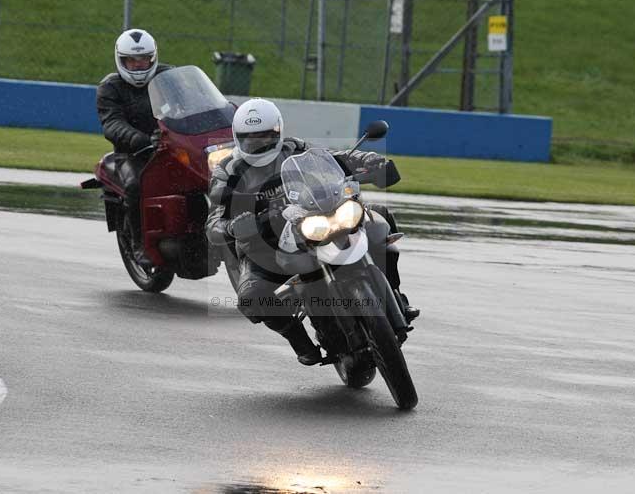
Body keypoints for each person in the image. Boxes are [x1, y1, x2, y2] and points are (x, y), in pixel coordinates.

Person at [205, 98, 419, 366]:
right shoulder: (227, 170)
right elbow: (213, 221)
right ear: (238, 138)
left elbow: (332, 158)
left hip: (314, 219)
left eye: (265, 137)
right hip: (265, 244)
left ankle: (397, 296)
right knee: (252, 297)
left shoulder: (295, 148)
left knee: (378, 218)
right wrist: (234, 226)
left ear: (278, 132)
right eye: (251, 139)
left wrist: (368, 160)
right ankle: (298, 339)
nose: (258, 143)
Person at [96, 28, 173, 266]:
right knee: (134, 184)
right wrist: (139, 139)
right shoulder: (111, 87)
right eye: (132, 61)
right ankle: (140, 244)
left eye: (143, 60)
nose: (138, 66)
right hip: (132, 154)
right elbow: (112, 123)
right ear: (122, 60)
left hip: (170, 147)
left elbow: (194, 103)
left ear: (152, 58)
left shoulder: (169, 78)